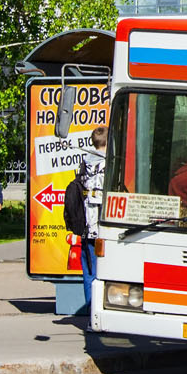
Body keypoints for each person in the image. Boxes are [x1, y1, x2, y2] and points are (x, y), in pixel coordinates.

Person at [80, 127, 108, 309]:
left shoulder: (83, 162)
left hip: (86, 223)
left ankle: (92, 312)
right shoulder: (111, 163)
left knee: (90, 270)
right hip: (106, 224)